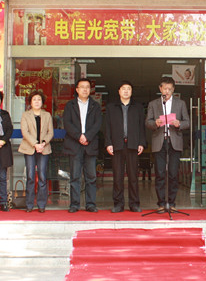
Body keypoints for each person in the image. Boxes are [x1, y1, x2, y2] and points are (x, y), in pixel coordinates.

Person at [146, 77, 190, 212]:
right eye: (165, 88)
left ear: (173, 89)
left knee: (173, 173)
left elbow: (187, 122)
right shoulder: (153, 104)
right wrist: (155, 123)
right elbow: (147, 122)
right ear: (160, 89)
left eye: (170, 89)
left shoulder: (180, 103)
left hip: (174, 141)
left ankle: (171, 202)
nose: (167, 91)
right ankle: (161, 203)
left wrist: (179, 124)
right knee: (160, 173)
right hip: (159, 140)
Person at [104, 81, 146, 213]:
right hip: (117, 145)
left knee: (133, 176)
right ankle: (118, 204)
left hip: (133, 144)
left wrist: (141, 142)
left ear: (131, 92)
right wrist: (108, 143)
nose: (126, 91)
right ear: (119, 91)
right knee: (118, 176)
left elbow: (142, 126)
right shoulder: (111, 107)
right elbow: (107, 127)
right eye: (123, 89)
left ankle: (134, 204)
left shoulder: (138, 107)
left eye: (129, 89)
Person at [63, 78, 102, 213]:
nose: (85, 89)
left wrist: (87, 136)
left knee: (91, 177)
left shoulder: (95, 106)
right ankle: (74, 204)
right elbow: (67, 123)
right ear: (77, 89)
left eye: (87, 87)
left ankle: (90, 204)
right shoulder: (70, 105)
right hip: (74, 145)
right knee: (75, 176)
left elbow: (97, 124)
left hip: (90, 145)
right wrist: (79, 136)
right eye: (82, 87)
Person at [18, 90, 53, 213]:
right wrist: (35, 144)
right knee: (30, 176)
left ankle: (41, 204)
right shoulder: (25, 115)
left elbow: (50, 132)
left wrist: (43, 143)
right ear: (30, 102)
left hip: (44, 148)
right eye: (34, 100)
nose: (37, 102)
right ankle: (29, 204)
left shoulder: (47, 115)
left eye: (39, 99)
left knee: (42, 176)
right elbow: (25, 132)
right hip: (30, 148)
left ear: (42, 102)